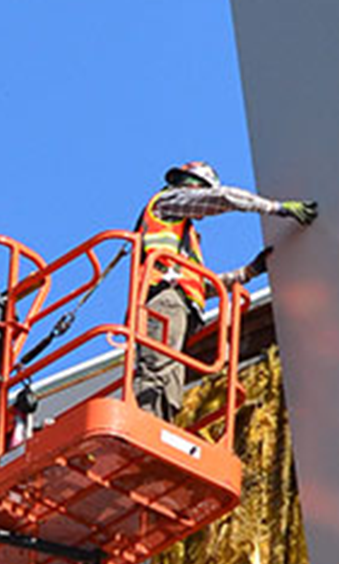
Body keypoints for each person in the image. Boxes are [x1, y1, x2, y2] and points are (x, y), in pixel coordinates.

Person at [133, 160, 317, 421]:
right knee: (157, 369)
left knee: (169, 381)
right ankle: (145, 424)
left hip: (179, 305)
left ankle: (159, 427)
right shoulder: (167, 203)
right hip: (163, 300)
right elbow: (224, 198)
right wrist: (277, 208)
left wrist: (248, 272)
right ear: (195, 186)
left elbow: (199, 285)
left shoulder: (184, 237)